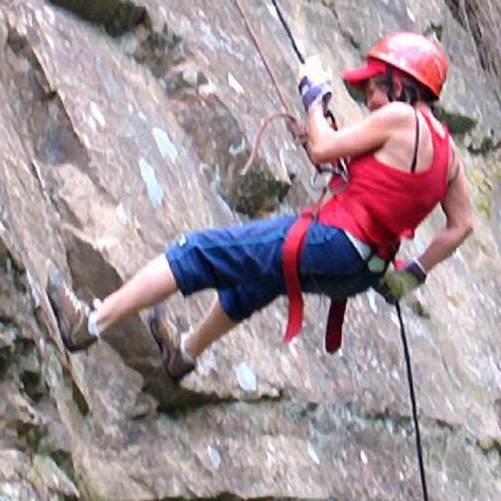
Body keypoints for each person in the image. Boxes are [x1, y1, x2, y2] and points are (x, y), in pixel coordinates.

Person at [46, 31, 474, 382]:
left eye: (375, 89)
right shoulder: (448, 153)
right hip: (363, 270)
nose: (370, 101)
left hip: (335, 242)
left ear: (401, 83)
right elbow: (461, 225)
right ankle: (185, 352)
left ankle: (88, 324)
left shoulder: (400, 118)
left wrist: (313, 97)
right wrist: (412, 276)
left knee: (196, 252)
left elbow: (324, 150)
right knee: (263, 278)